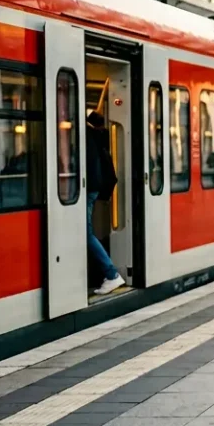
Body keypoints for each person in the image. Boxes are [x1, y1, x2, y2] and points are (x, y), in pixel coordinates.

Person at [85, 112, 124, 294]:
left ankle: (111, 274)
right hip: (93, 189)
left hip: (86, 189)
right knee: (85, 232)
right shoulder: (98, 136)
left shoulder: (85, 135)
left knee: (85, 233)